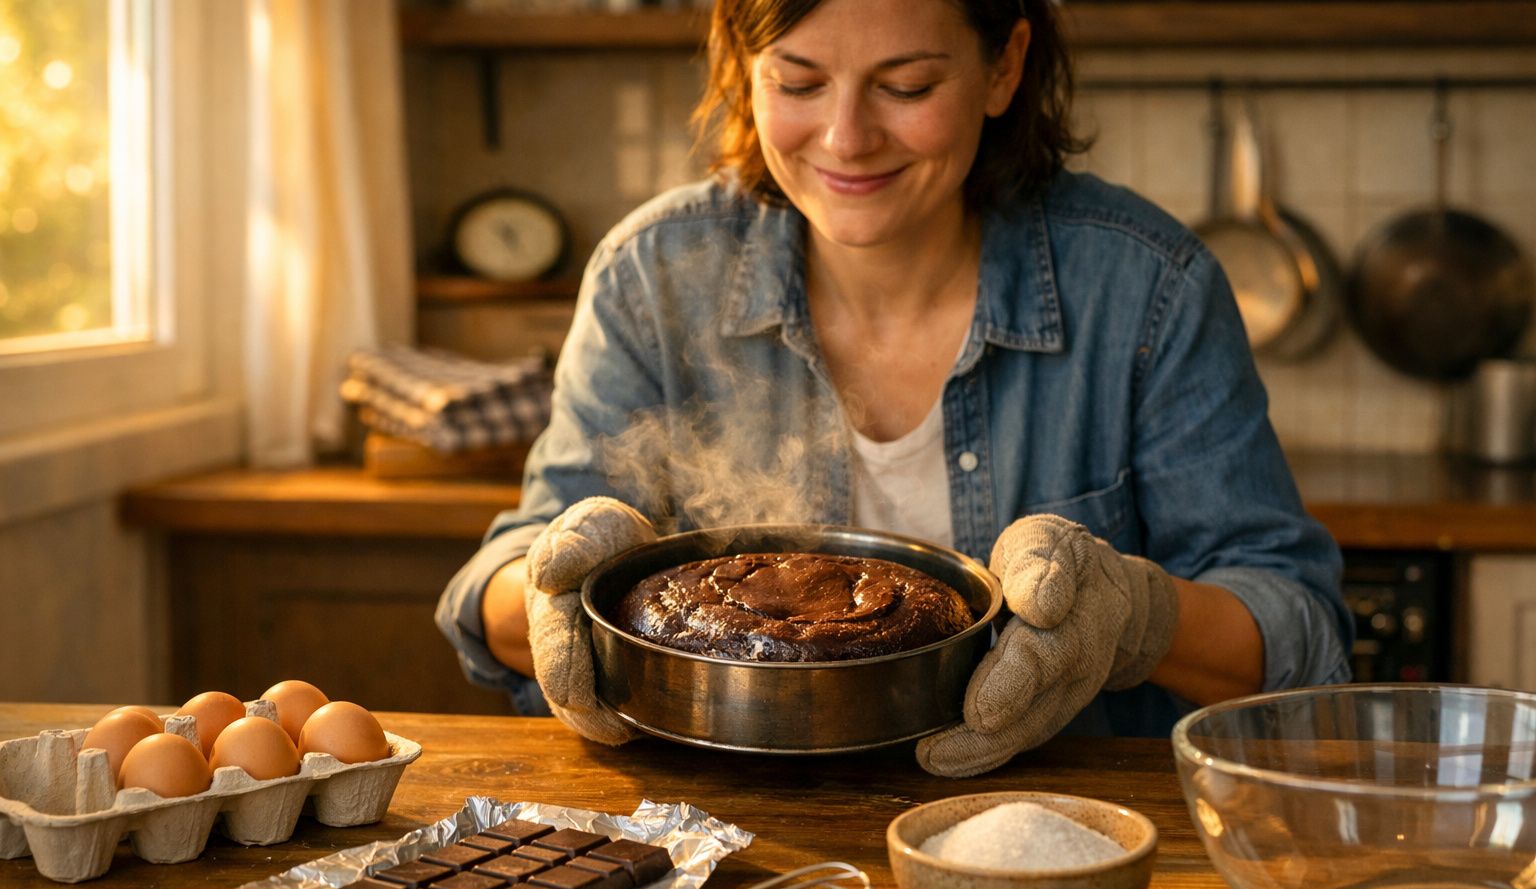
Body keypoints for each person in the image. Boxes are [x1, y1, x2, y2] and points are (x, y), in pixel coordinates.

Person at [435, 0, 1352, 776]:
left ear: (1004, 67)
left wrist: (1134, 618)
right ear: (743, 69)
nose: (846, 138)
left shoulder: (1145, 286)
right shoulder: (653, 277)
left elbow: (1299, 633)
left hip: (1060, 828)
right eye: (798, 83)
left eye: (907, 87)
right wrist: (556, 592)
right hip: (719, 835)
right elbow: (491, 594)